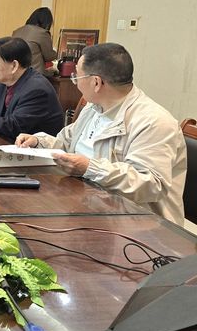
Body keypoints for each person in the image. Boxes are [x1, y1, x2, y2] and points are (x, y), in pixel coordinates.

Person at [15, 43, 186, 225]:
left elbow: (151, 184)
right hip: (87, 203)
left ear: (96, 82)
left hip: (138, 226)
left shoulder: (153, 122)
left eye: (77, 76)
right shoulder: (93, 107)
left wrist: (90, 168)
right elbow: (66, 143)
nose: (75, 81)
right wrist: (38, 141)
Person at [12, 7, 58, 75]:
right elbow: (49, 56)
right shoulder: (42, 33)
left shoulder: (16, 32)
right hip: (34, 74)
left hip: (16, 73)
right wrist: (57, 53)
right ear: (47, 22)